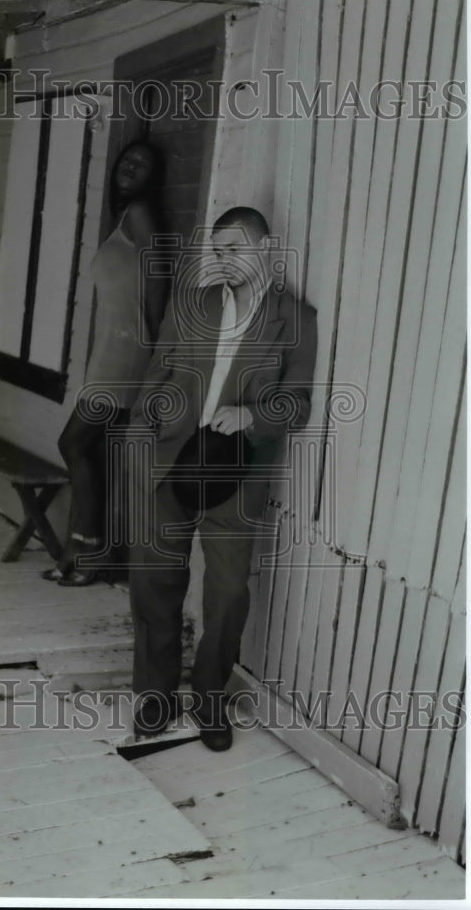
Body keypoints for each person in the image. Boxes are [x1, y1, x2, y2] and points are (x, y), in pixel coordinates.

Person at [126, 206, 317, 750]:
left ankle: (209, 696)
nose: (223, 260)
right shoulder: (193, 305)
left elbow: (297, 404)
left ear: (264, 248)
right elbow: (154, 377)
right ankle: (154, 696)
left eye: (233, 249)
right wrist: (142, 436)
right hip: (168, 464)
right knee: (154, 583)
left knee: (229, 593)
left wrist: (253, 417)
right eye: (217, 251)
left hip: (235, 471)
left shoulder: (297, 319)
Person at [43, 140, 171, 587]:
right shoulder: (121, 220)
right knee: (94, 452)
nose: (132, 166)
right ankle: (80, 553)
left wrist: (156, 346)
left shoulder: (140, 213)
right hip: (109, 353)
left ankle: (89, 546)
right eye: (128, 159)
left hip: (128, 352)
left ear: (151, 179)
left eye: (143, 164)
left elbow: (158, 276)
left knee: (73, 444)